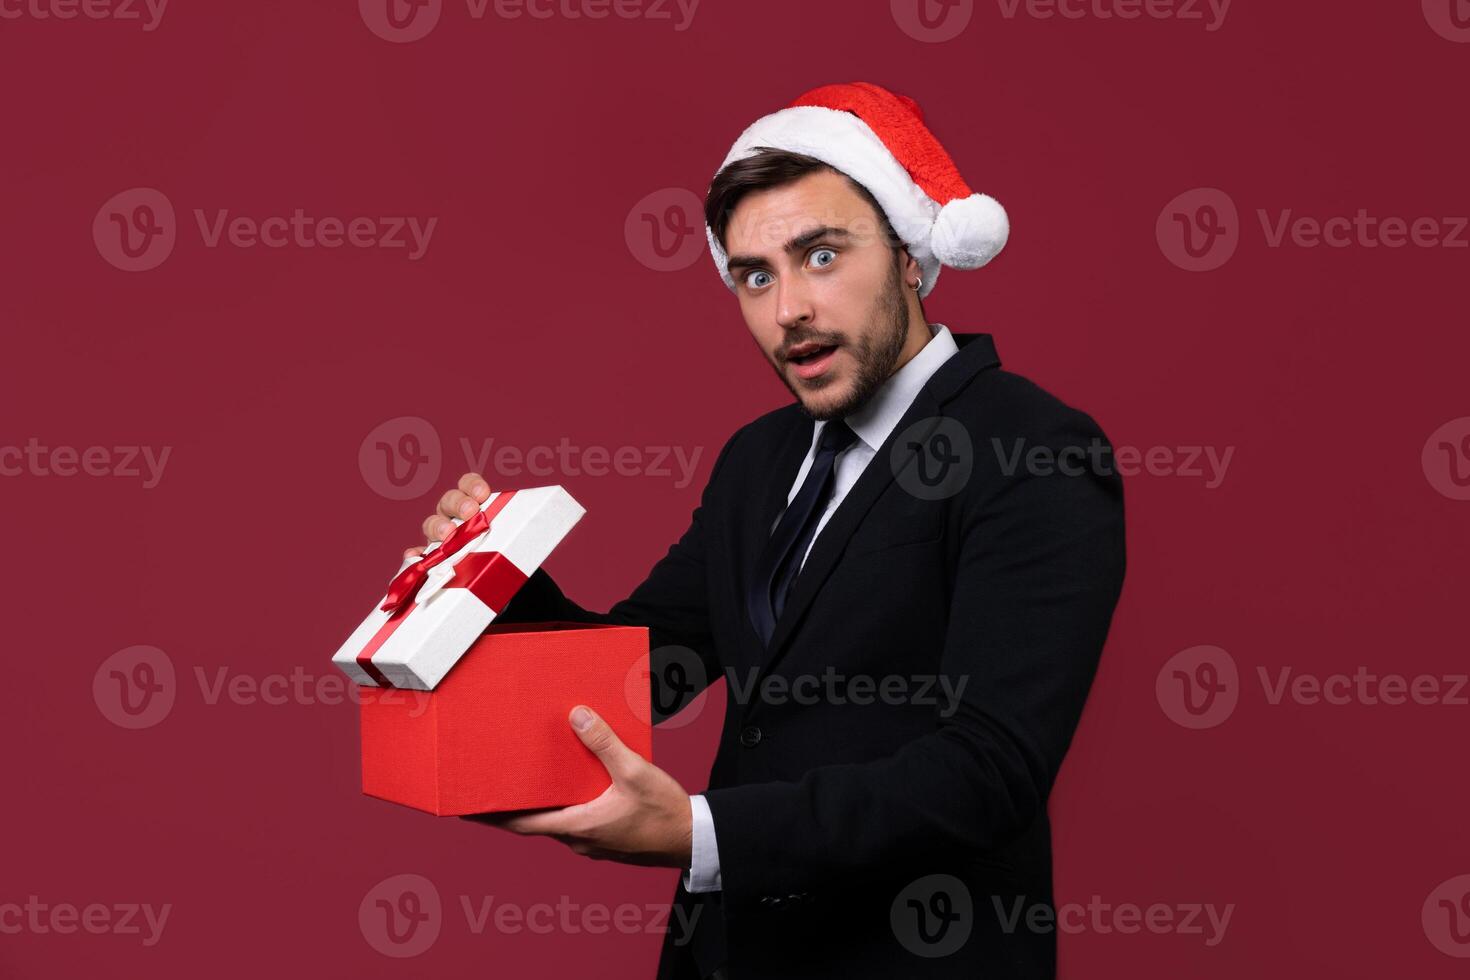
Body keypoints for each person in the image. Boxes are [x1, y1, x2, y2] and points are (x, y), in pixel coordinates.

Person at [406, 81, 1126, 979]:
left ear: (909, 254)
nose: (787, 308)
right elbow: (647, 670)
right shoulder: (759, 459)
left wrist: (701, 834)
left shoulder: (1033, 448)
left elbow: (989, 772)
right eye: (756, 274)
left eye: (820, 256)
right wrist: (496, 579)